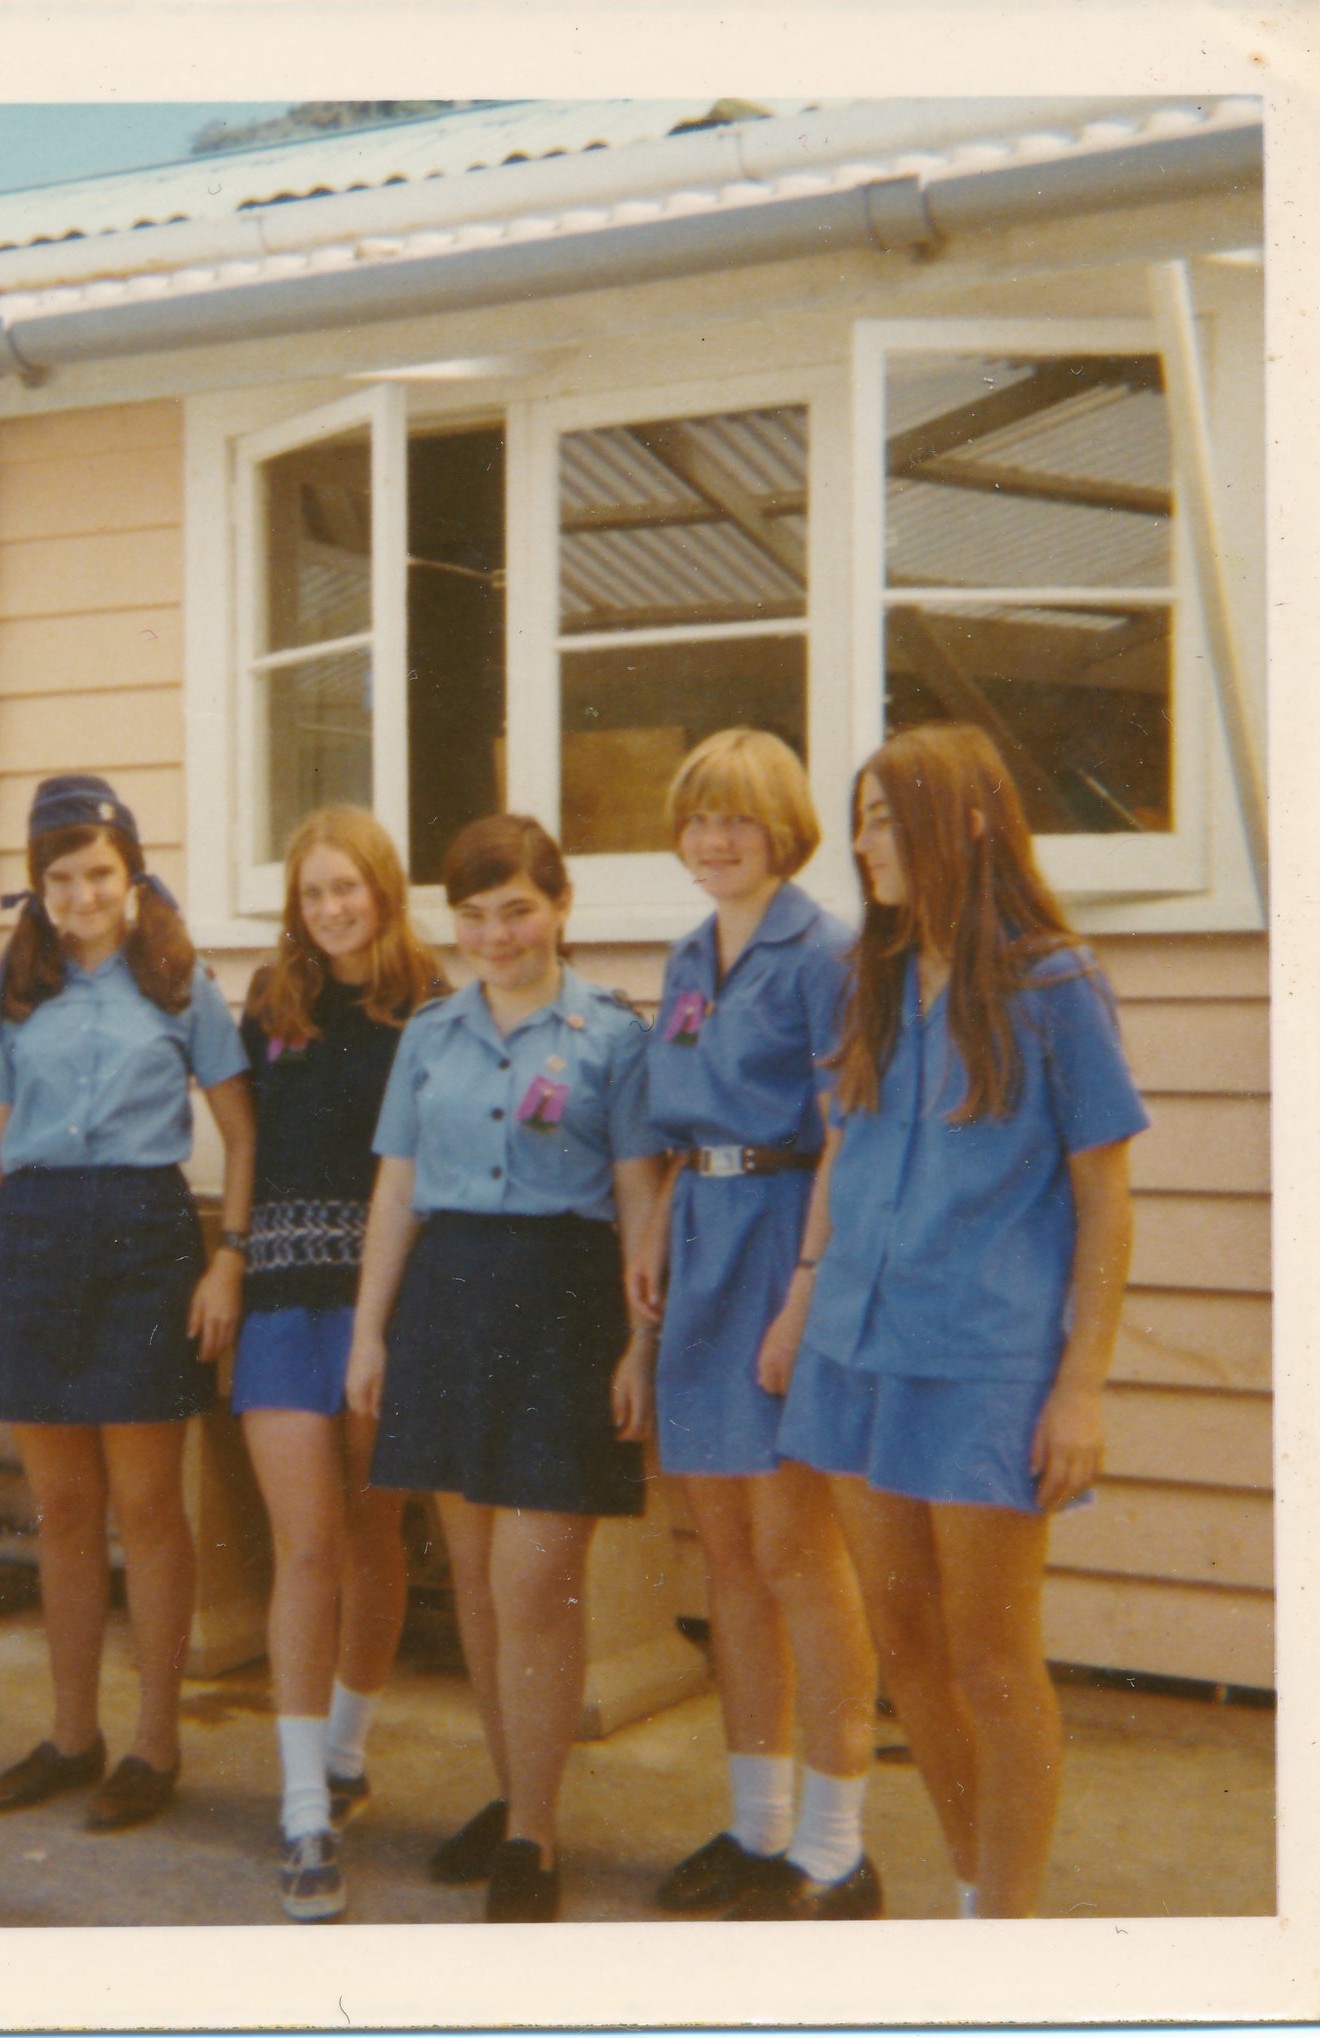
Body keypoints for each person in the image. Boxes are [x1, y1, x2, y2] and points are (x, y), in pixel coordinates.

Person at [771, 722, 1148, 1918]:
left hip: (984, 1367)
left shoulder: (1053, 987)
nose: (866, 844)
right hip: (852, 1350)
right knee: (903, 1640)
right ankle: (972, 1895)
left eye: (889, 817)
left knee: (991, 1657)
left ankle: (1009, 1943)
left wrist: (1079, 1386)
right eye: (863, 818)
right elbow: (841, 1150)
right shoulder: (868, 981)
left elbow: (1105, 1199)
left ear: (969, 822)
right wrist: (802, 1297)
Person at [347, 814, 665, 1923]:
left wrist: (641, 1341)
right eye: (474, 915)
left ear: (560, 905)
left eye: (517, 909)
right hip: (449, 1297)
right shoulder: (430, 1034)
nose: (495, 934)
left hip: (565, 1301)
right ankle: (509, 1788)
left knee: (535, 1580)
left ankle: (534, 1830)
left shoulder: (613, 1037)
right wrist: (369, 1332)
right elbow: (393, 1189)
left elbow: (639, 1195)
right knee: (477, 1576)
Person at [0, 775, 257, 1834]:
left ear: (131, 876)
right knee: (65, 1510)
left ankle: (155, 1739)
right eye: (60, 877)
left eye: (99, 873)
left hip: (141, 1239)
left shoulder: (179, 982)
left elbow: (243, 1133)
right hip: (33, 1238)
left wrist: (231, 1259)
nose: (81, 894)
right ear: (36, 889)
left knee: (147, 1507)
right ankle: (71, 1732)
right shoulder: (15, 991)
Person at [625, 729, 883, 1922]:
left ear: (782, 828)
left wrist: (804, 1293)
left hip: (784, 1239)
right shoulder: (686, 957)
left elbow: (846, 1133)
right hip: (700, 1242)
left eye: (735, 819)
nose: (713, 840)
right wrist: (655, 1237)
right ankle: (755, 1823)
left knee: (795, 1555)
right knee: (723, 1557)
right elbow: (673, 1120)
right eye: (695, 820)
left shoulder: (824, 952)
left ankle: (835, 1846)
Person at [236, 808, 440, 1921]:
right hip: (279, 1296)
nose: (329, 910)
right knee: (305, 1543)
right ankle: (304, 1800)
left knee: (371, 1535)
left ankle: (349, 1746)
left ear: (380, 889)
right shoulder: (272, 1006)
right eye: (311, 893)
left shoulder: (429, 1005)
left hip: (384, 1304)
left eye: (345, 889)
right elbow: (247, 1148)